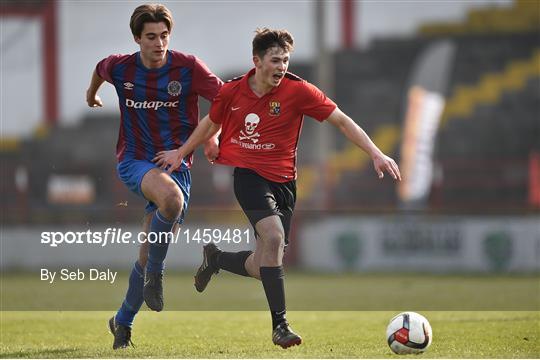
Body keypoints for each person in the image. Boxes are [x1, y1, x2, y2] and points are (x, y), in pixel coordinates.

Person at [153, 28, 401, 349]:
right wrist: (183, 151)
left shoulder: (299, 91)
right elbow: (210, 123)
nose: (281, 66)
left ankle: (215, 259)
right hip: (249, 177)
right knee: (273, 238)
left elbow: (342, 120)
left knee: (263, 265)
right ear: (257, 61)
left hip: (285, 183)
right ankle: (280, 326)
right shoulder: (232, 92)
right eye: (275, 59)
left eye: (285, 59)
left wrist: (376, 153)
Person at [85, 3, 222, 349]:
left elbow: (225, 101)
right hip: (134, 161)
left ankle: (122, 323)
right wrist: (92, 94)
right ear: (137, 38)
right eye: (151, 37)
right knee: (171, 200)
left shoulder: (188, 68)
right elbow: (99, 70)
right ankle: (156, 277)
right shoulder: (120, 66)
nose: (159, 43)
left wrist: (214, 136)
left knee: (146, 253)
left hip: (177, 166)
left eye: (164, 36)